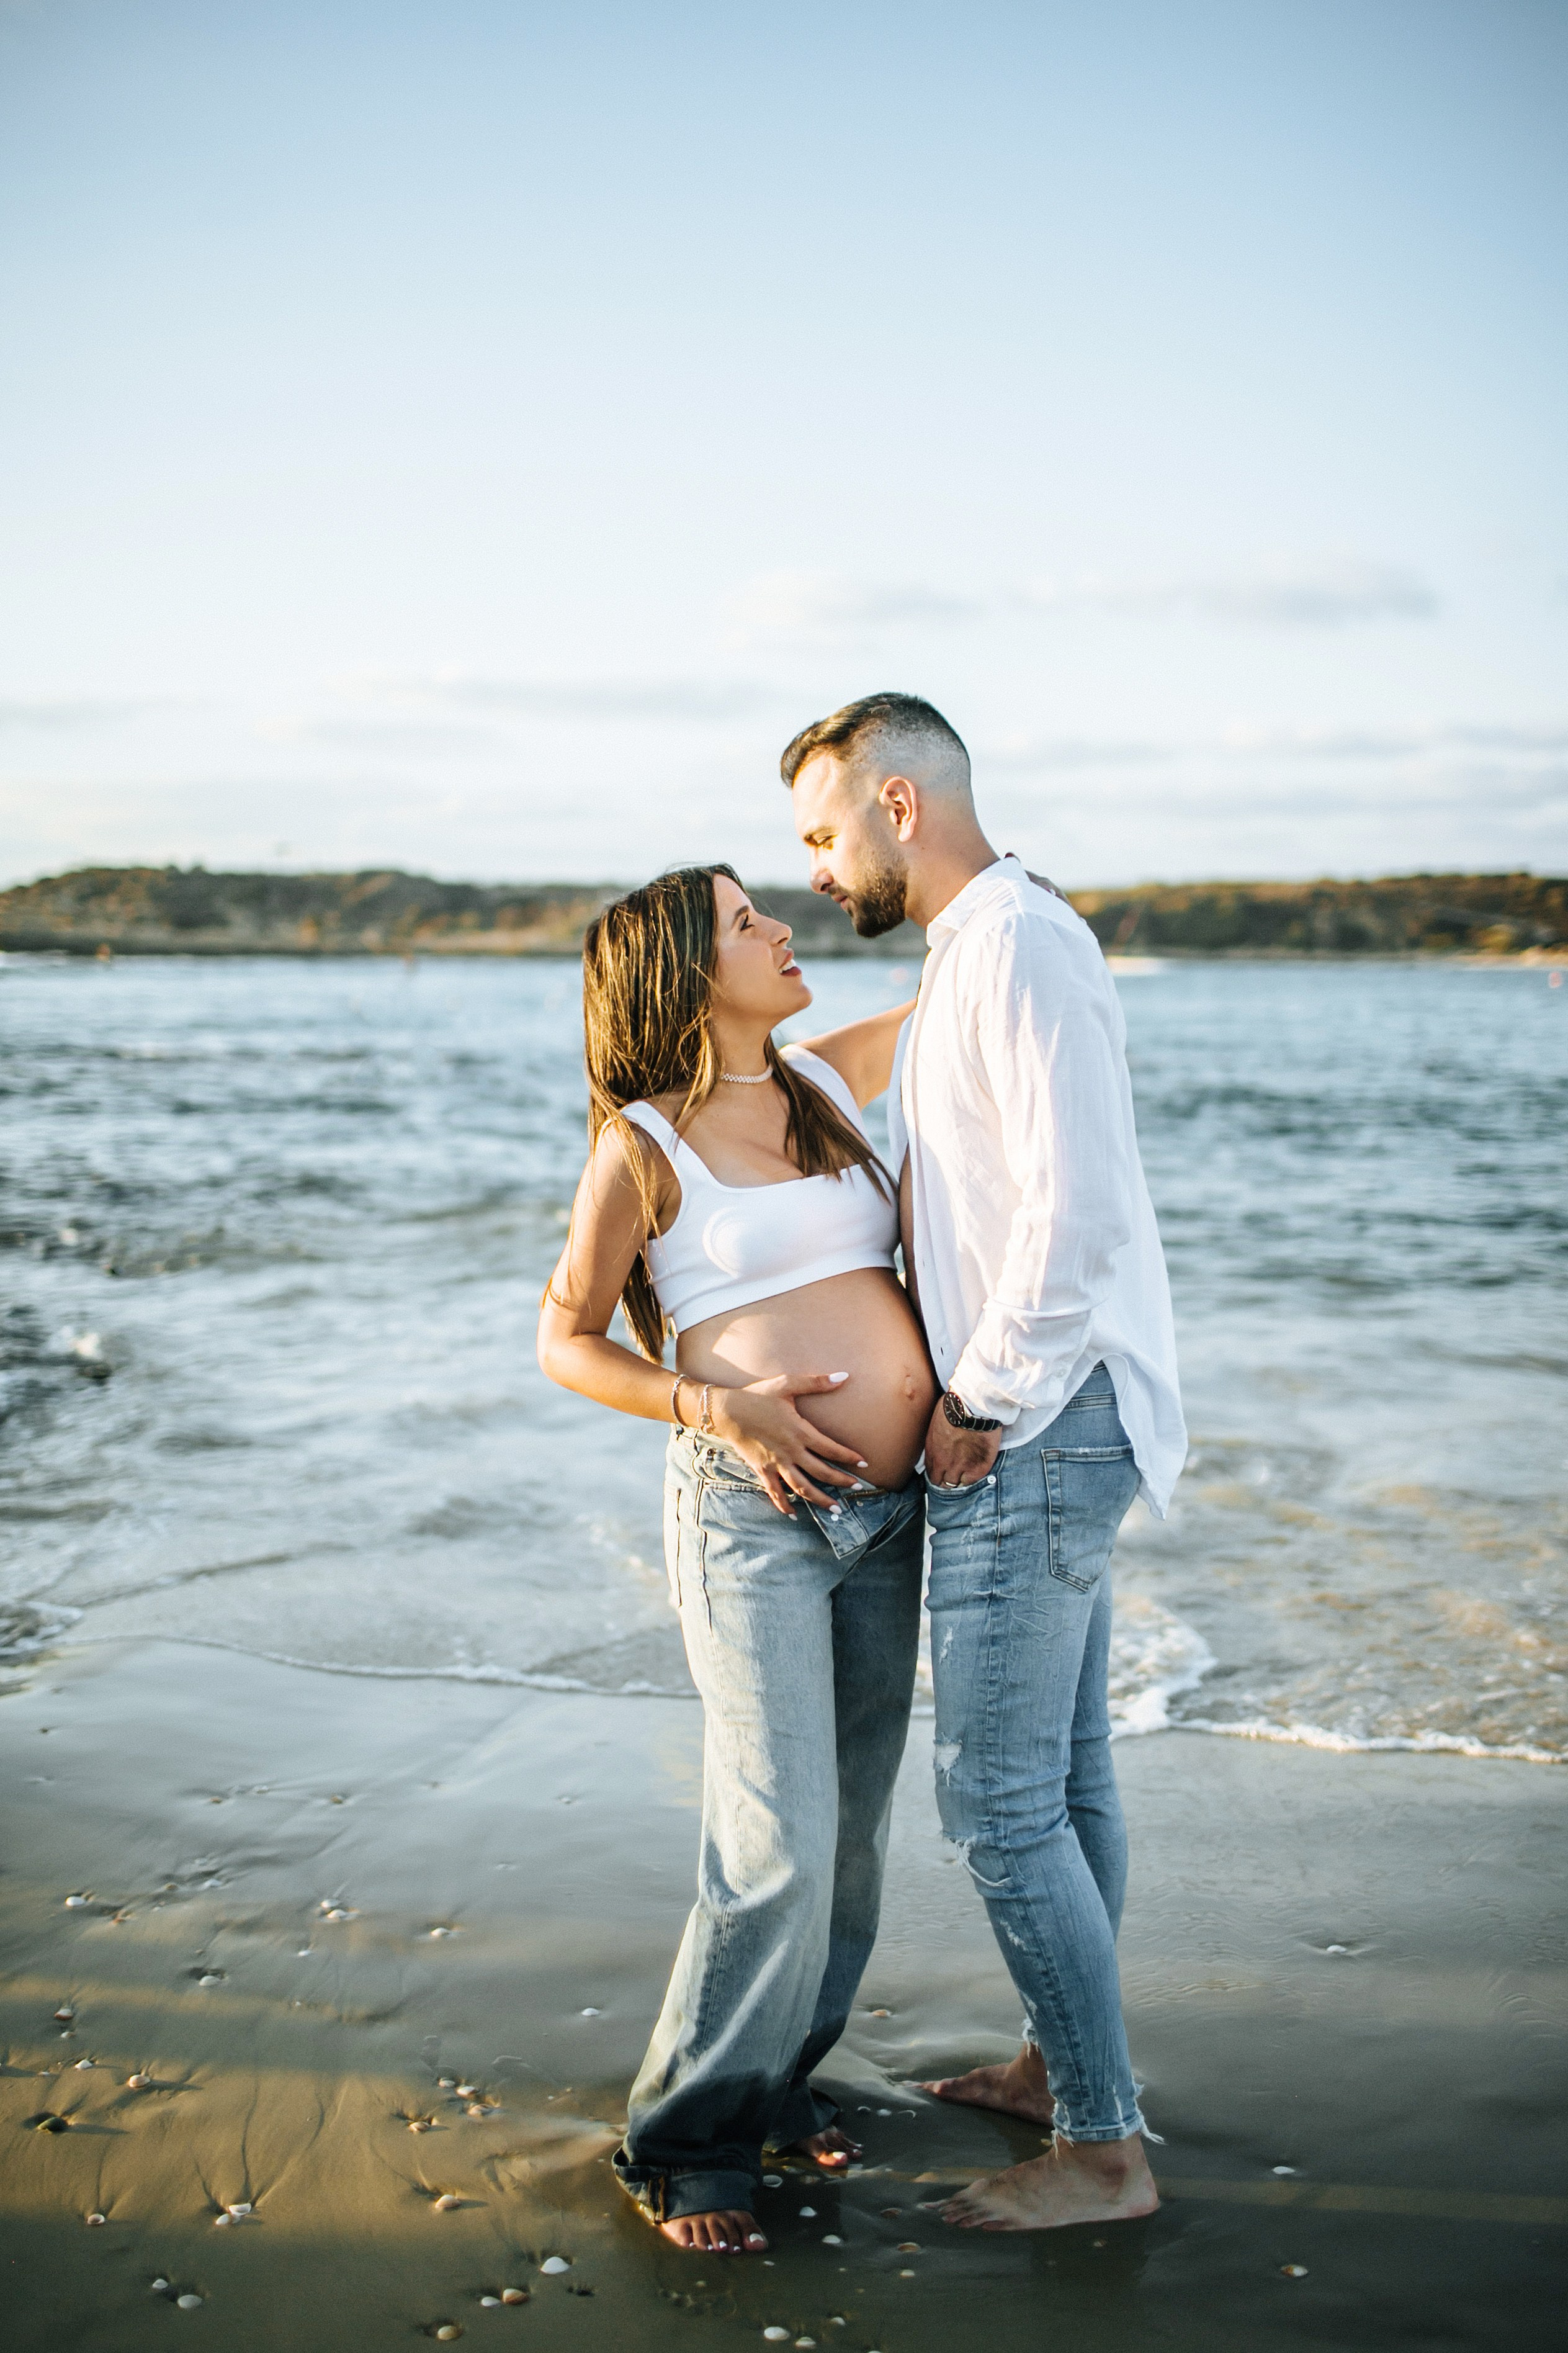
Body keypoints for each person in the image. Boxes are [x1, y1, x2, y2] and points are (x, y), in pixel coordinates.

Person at [781, 692, 1188, 2233]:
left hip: (1037, 1421)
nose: (816, 868)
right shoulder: (977, 945)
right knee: (1064, 1780)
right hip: (1056, 1417)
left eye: (823, 832)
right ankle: (1056, 2068)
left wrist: (978, 1397)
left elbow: (1072, 1215)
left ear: (897, 802)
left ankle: (1101, 2153)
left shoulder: (1016, 944)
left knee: (999, 1807)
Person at [536, 863, 936, 2256]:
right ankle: (687, 2139)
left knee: (851, 1842)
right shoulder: (643, 1144)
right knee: (775, 1843)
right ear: (686, 974)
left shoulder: (821, 1085)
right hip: (750, 1516)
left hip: (889, 1518)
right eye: (746, 921)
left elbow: (960, 995)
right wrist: (713, 1405)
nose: (781, 927)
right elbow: (565, 1338)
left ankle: (778, 2082)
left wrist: (1022, 915)